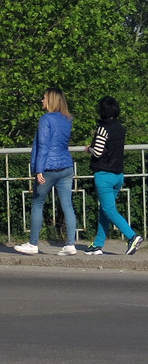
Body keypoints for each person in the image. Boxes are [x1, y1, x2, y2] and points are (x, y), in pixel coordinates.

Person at [15, 88, 77, 256]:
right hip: (66, 166)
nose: (41, 101)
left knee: (37, 204)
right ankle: (70, 244)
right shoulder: (68, 118)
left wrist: (39, 169)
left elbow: (43, 145)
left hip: (48, 168)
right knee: (67, 205)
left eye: (44, 98)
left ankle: (33, 243)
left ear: (50, 100)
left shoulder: (46, 119)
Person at [84, 96, 143, 256]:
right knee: (104, 210)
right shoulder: (120, 128)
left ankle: (132, 236)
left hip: (104, 174)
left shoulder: (103, 129)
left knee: (109, 210)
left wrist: (88, 149)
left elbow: (97, 151)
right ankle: (97, 244)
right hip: (118, 174)